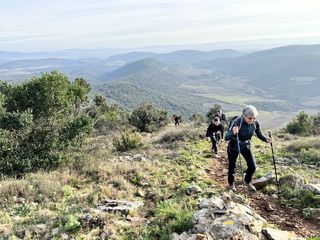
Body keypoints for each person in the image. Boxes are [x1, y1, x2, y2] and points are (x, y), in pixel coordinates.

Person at [224, 105, 272, 192]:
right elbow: (226, 137)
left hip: (246, 145)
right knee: (232, 166)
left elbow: (259, 134)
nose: (252, 120)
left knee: (252, 166)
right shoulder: (237, 122)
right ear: (244, 116)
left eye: (254, 118)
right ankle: (231, 184)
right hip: (234, 145)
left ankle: (247, 181)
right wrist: (233, 133)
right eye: (250, 118)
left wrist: (266, 140)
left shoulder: (255, 123)